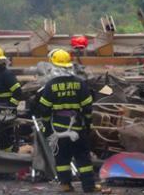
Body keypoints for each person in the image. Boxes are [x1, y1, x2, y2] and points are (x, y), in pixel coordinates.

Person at [35, 49, 95, 193]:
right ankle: (88, 186)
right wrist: (88, 124)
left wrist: (47, 127)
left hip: (59, 128)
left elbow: (44, 110)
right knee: (83, 157)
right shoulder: (80, 83)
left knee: (62, 158)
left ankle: (66, 185)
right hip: (77, 127)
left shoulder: (50, 85)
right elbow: (87, 107)